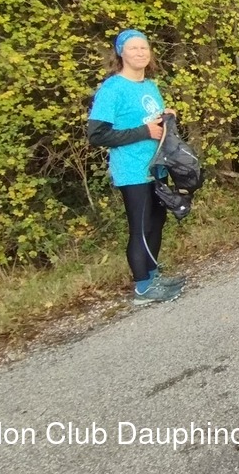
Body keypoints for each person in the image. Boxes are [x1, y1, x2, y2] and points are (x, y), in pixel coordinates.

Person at [87, 29, 186, 306]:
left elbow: (151, 122)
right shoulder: (113, 89)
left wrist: (165, 118)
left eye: (144, 47)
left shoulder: (149, 86)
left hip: (156, 166)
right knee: (141, 227)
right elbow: (97, 135)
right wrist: (144, 132)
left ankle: (153, 276)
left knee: (157, 222)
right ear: (121, 53)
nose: (140, 53)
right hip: (132, 170)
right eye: (133, 48)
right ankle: (142, 287)